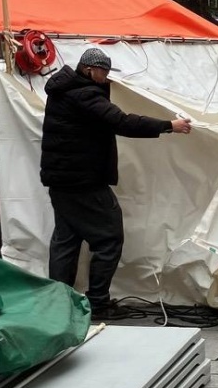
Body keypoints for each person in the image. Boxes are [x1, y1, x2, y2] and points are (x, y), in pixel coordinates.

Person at [40, 47, 192, 317]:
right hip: (83, 181)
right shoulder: (84, 95)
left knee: (67, 240)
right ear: (89, 70)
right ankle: (98, 302)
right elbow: (121, 122)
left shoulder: (64, 91)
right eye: (104, 72)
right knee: (109, 238)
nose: (107, 77)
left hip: (61, 179)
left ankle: (58, 302)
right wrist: (169, 125)